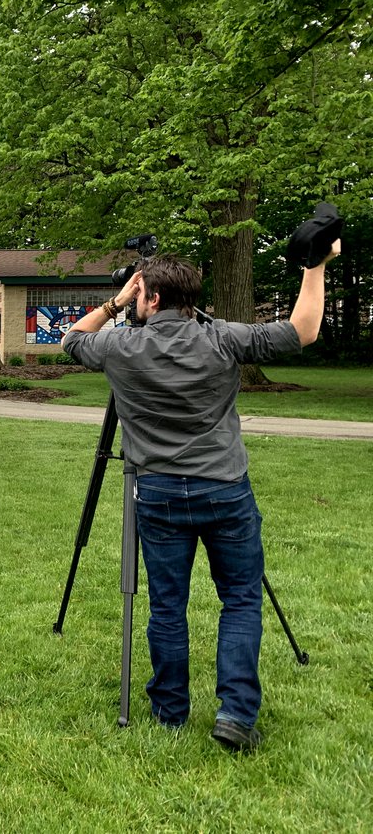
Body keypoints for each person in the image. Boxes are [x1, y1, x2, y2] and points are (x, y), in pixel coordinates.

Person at [62, 245, 341, 752]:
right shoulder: (223, 339)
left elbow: (73, 340)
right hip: (225, 489)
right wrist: (315, 264)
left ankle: (170, 711)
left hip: (159, 493)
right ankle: (235, 713)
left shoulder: (122, 348)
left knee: (167, 606)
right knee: (239, 598)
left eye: (142, 292)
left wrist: (117, 303)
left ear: (152, 297)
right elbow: (303, 331)